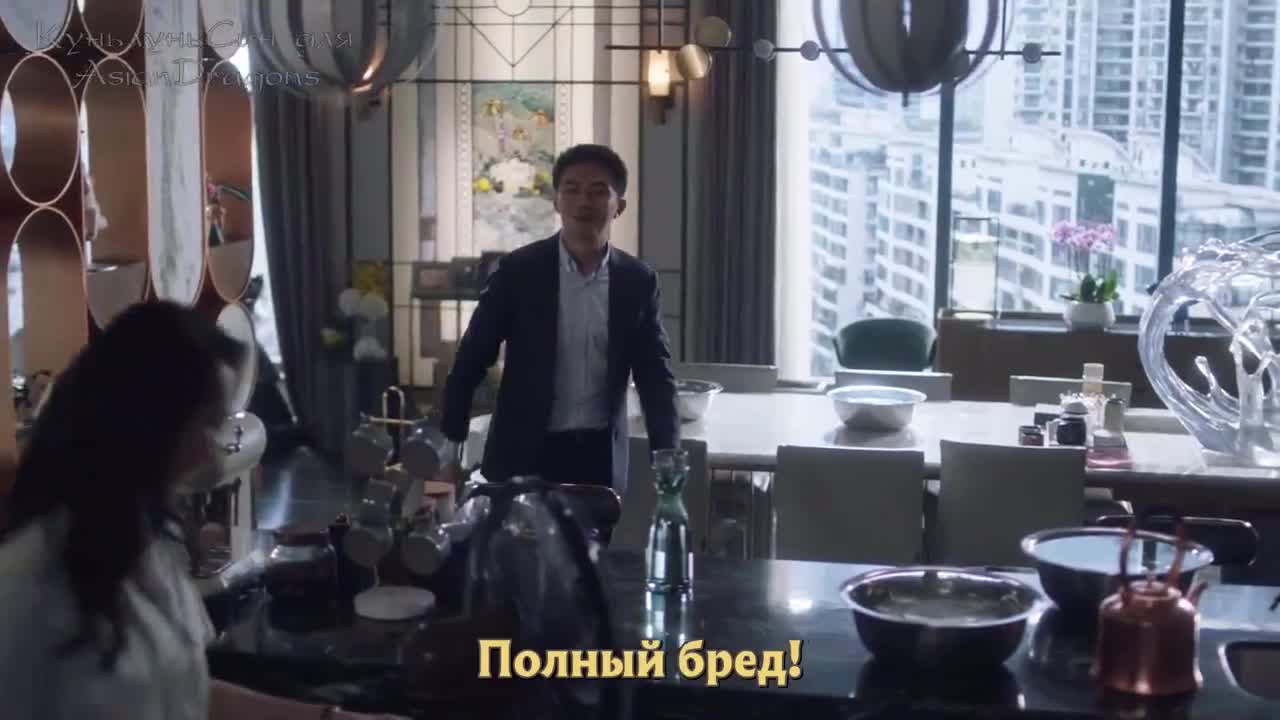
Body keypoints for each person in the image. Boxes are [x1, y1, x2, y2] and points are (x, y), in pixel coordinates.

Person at [0, 301, 403, 720]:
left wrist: (333, 718)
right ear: (146, 423)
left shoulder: (151, 548)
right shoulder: (27, 585)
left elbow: (185, 691)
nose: (212, 449)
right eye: (206, 423)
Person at [436, 144, 680, 498]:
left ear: (619, 206)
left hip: (599, 459)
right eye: (572, 189)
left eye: (598, 191)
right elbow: (472, 358)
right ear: (556, 201)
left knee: (594, 536)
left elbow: (655, 375)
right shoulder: (519, 271)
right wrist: (450, 449)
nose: (584, 202)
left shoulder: (637, 281)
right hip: (522, 454)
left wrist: (667, 456)